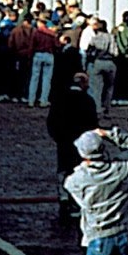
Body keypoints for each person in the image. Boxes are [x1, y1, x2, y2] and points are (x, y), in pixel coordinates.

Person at [47, 73, 99, 220]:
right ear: (83, 84)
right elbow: (93, 125)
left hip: (63, 141)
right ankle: (75, 201)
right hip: (81, 143)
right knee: (79, 171)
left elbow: (51, 122)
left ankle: (64, 198)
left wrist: (58, 137)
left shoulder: (59, 99)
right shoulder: (88, 101)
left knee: (63, 169)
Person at [87, 19, 119, 115]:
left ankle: (97, 108)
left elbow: (89, 51)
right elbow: (116, 52)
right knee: (109, 87)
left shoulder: (94, 38)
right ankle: (107, 107)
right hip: (110, 62)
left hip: (98, 61)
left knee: (97, 87)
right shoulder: (111, 37)